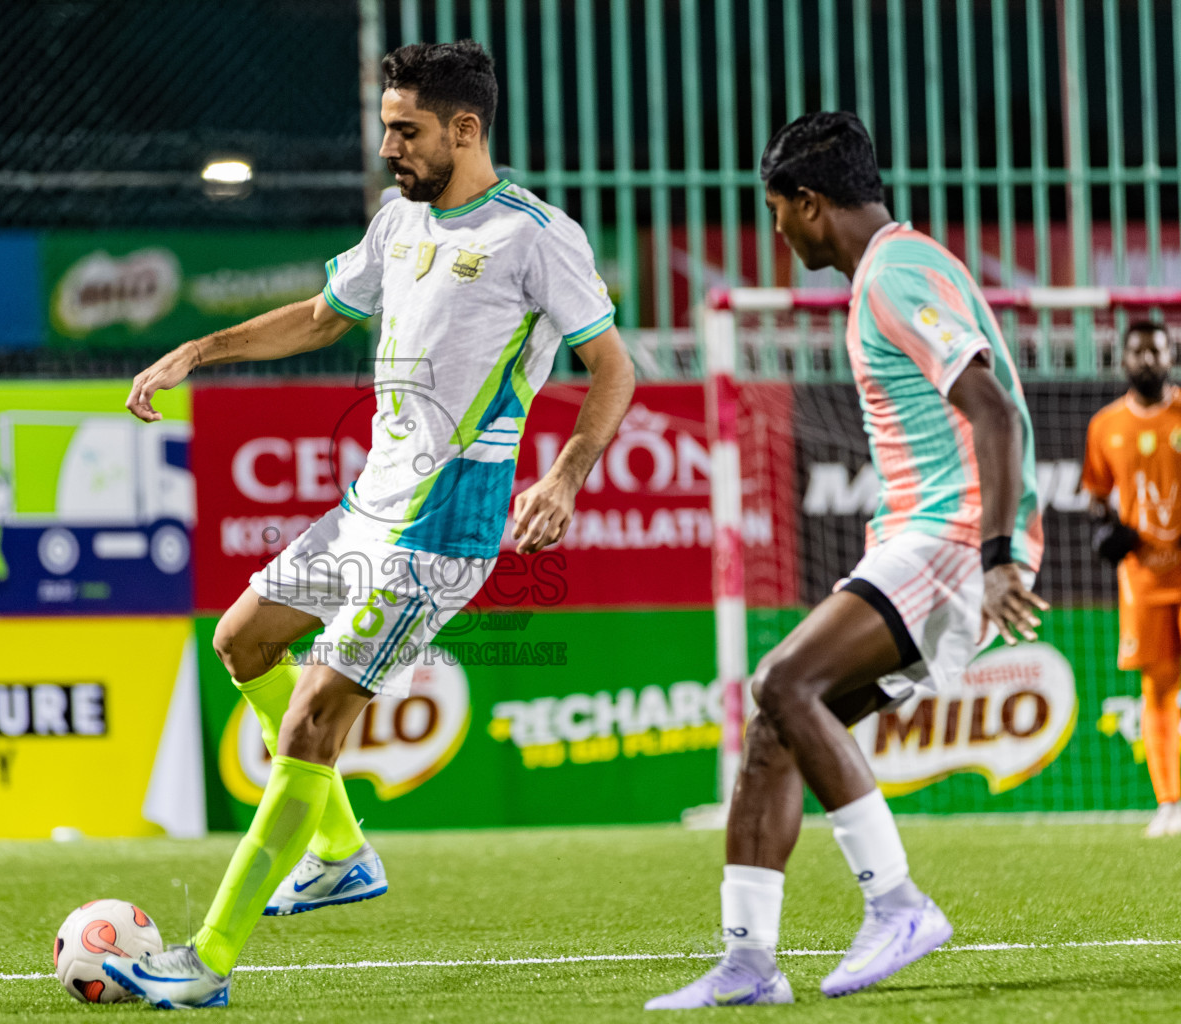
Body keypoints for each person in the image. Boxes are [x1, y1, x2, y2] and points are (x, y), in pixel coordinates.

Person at [103, 40, 636, 1009]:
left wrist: (562, 476)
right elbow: (320, 311)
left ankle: (207, 960)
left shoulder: (535, 235)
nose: (389, 146)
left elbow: (614, 367)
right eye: (387, 127)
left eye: (406, 130)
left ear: (465, 130)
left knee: (313, 716)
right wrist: (198, 349)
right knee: (241, 642)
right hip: (367, 509)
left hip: (444, 527)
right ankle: (342, 851)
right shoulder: (398, 219)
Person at [646, 111, 1046, 1010]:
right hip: (926, 538)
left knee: (783, 680)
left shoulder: (897, 275)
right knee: (776, 732)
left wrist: (996, 557)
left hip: (949, 539)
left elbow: (996, 411)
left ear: (811, 202)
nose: (776, 229)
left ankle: (897, 904)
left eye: (776, 209)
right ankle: (749, 965)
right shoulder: (901, 266)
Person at [1083, 322, 1181, 838]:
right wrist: (1105, 529)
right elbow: (1097, 495)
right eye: (1138, 352)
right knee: (1157, 691)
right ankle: (1170, 804)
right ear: (1124, 360)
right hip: (1142, 580)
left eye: (1156, 351)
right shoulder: (1105, 425)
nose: (1147, 360)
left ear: (1170, 356)